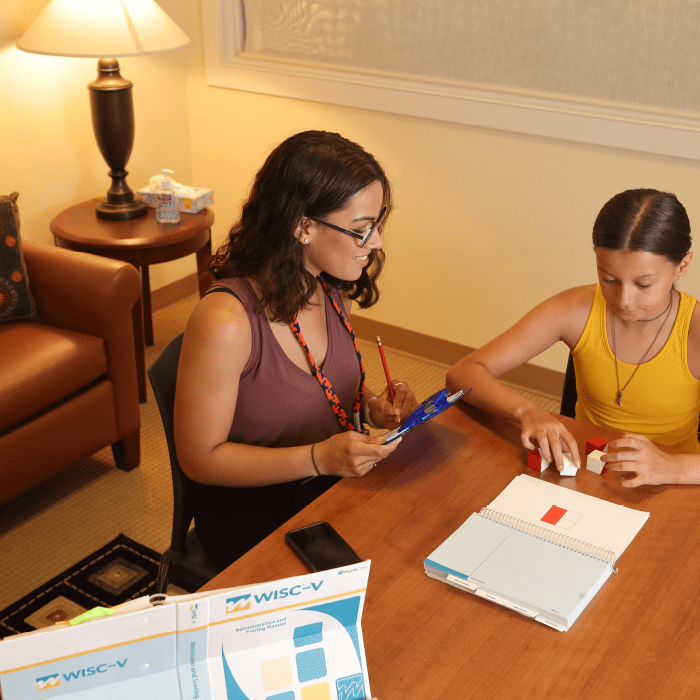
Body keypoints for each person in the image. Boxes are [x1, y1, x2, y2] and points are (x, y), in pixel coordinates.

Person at [174, 130, 417, 569]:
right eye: (363, 230)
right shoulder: (225, 322)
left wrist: (373, 406)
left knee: (420, 527)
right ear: (303, 225)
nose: (377, 242)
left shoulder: (331, 287)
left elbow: (323, 387)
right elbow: (199, 459)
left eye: (378, 224)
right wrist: (317, 459)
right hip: (254, 508)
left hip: (328, 482)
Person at [446, 188, 700, 488]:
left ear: (682, 266)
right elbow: (462, 373)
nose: (624, 300)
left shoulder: (694, 328)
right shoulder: (573, 309)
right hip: (585, 471)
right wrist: (527, 410)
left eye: (644, 284)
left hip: (672, 484)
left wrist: (674, 467)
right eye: (609, 279)